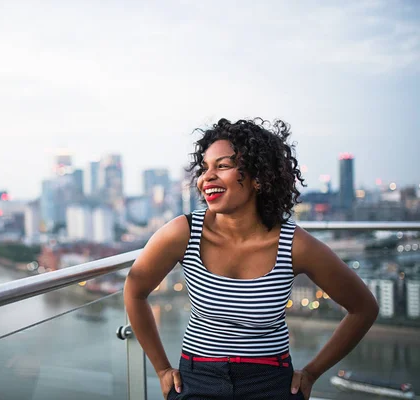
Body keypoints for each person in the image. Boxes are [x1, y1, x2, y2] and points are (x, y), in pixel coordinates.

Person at [124, 118, 379, 400]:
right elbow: (135, 291)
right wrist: (161, 369)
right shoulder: (182, 233)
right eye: (205, 168)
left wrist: (311, 372)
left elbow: (363, 308)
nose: (206, 177)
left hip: (271, 382)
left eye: (222, 166)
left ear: (259, 177)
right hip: (196, 381)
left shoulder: (295, 245)